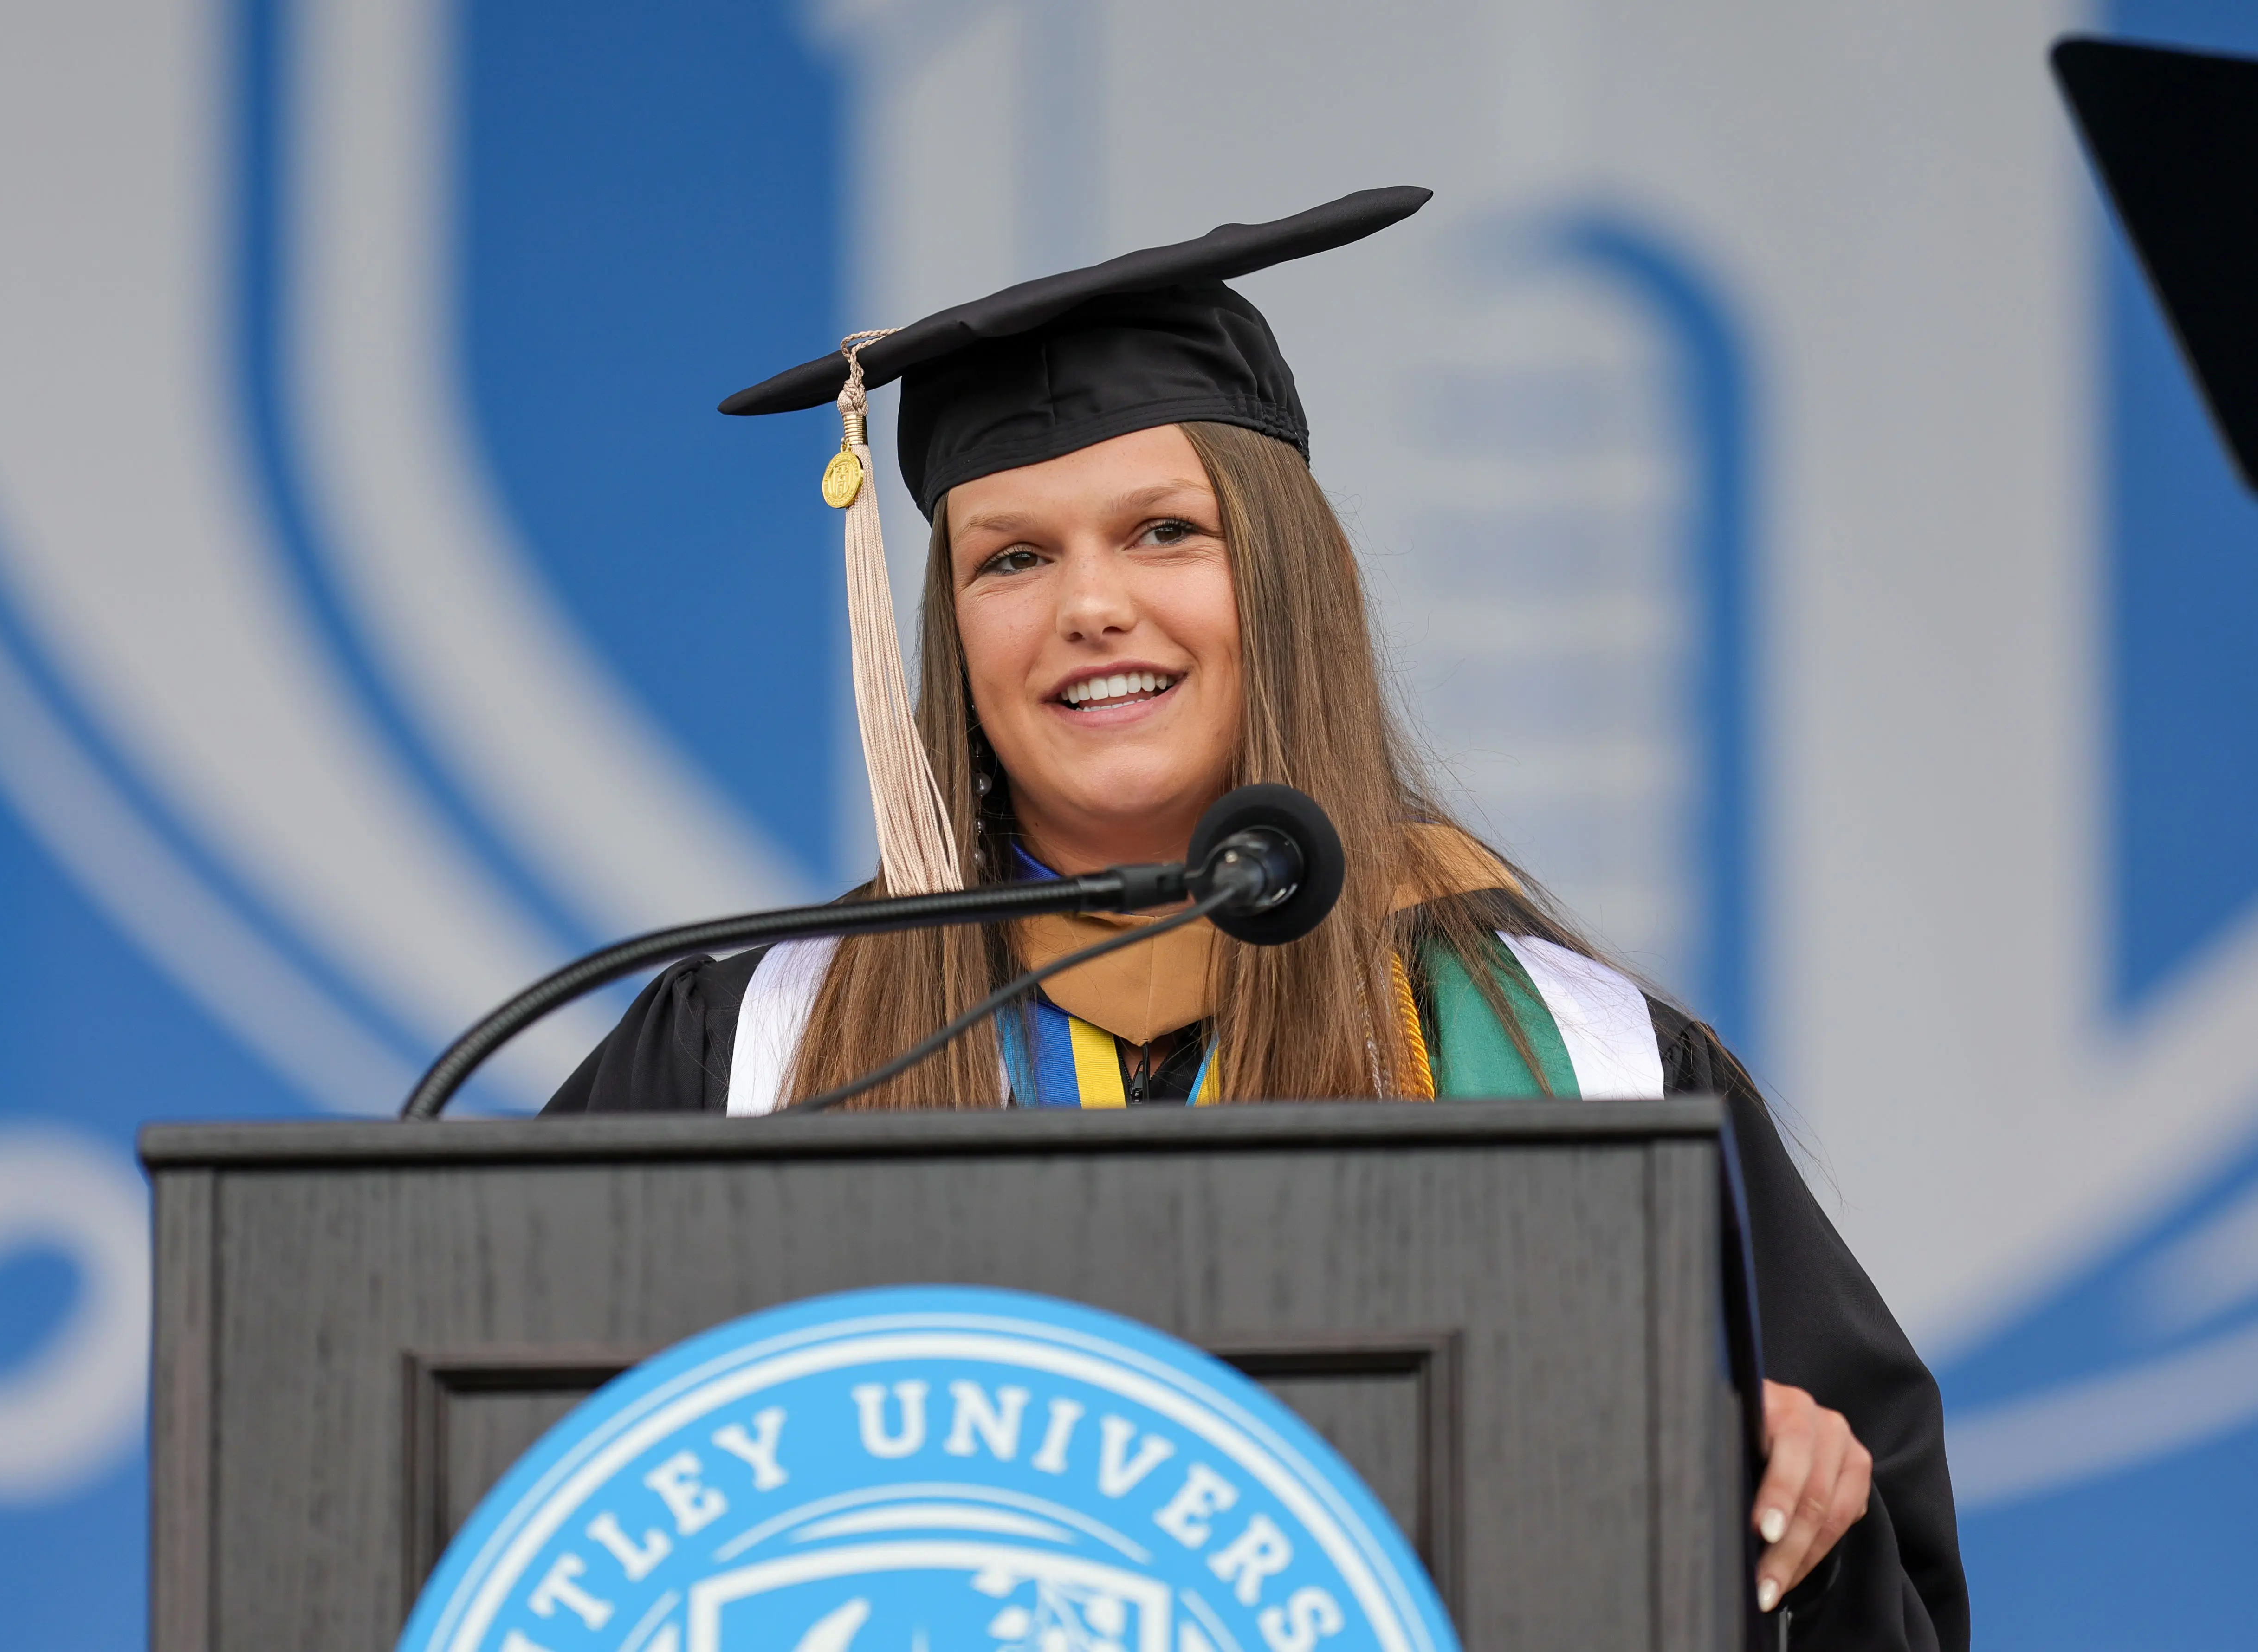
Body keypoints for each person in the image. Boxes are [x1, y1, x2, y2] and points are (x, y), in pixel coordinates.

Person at [546, 188, 1967, 1649]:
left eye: (1165, 531)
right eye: (1012, 558)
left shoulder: (1575, 1061)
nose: (1089, 606)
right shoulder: (757, 1056)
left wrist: (1808, 1518)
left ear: (1290, 585)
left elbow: (1880, 1589)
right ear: (952, 632)